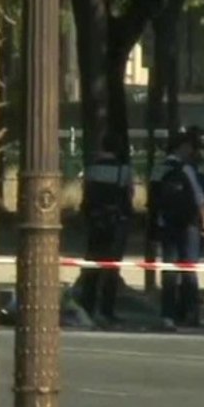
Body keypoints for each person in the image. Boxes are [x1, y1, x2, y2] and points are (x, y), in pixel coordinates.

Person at [150, 129, 204, 330]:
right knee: (188, 269)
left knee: (169, 270)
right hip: (188, 226)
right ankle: (190, 312)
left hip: (166, 223)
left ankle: (168, 314)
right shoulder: (186, 169)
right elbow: (199, 198)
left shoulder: (158, 168)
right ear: (183, 148)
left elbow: (153, 199)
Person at [77, 132, 134, 327]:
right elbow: (128, 195)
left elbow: (85, 194)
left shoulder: (91, 168)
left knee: (91, 263)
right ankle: (106, 310)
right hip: (115, 223)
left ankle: (87, 305)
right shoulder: (123, 170)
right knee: (111, 266)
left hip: (95, 222)